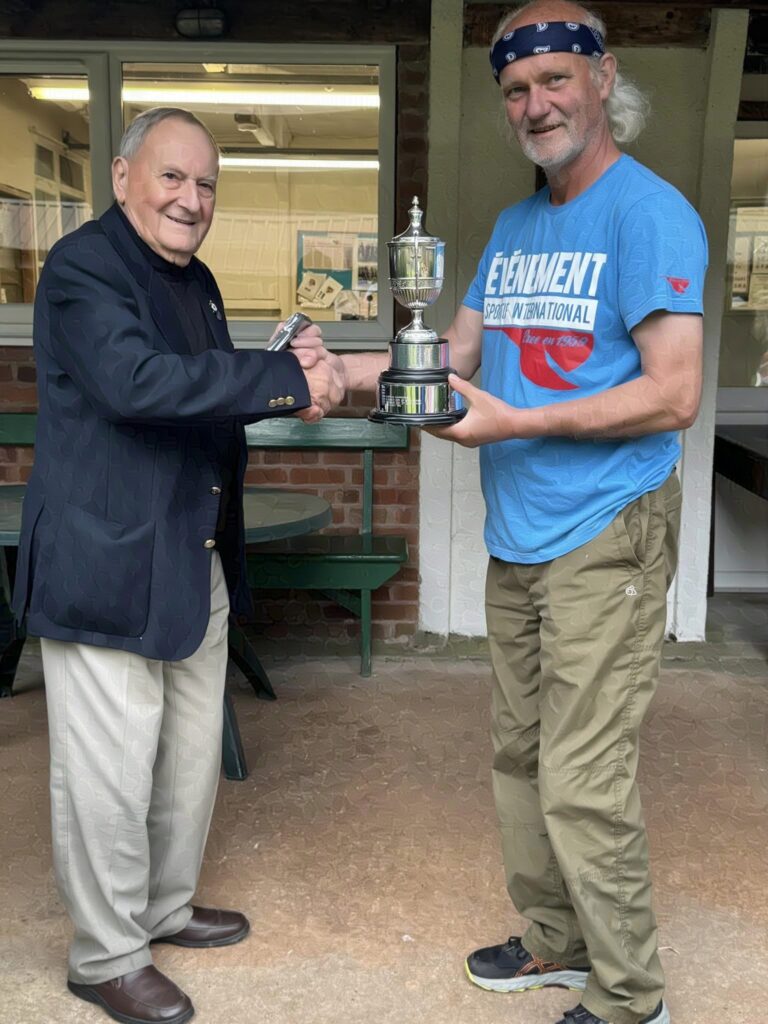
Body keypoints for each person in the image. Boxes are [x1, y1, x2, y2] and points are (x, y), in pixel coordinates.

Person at [297, 3, 707, 1022]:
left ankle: (630, 995)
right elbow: (453, 358)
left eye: (556, 80)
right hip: (518, 531)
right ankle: (559, 943)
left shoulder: (648, 213)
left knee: (583, 775)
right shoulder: (518, 227)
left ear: (602, 78)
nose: (536, 104)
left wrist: (522, 420)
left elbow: (675, 393)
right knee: (520, 755)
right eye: (518, 90)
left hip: (609, 529)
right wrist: (341, 373)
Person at [12, 106, 344, 1024]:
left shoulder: (192, 281)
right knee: (111, 770)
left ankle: (161, 908)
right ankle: (105, 955)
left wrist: (282, 364)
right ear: (122, 178)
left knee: (186, 754)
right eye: (172, 177)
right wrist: (283, 383)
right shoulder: (84, 266)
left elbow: (201, 393)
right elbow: (137, 384)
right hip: (108, 557)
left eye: (205, 185)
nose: (190, 200)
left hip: (189, 549)